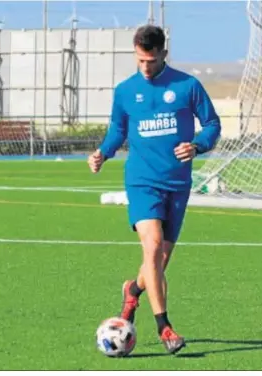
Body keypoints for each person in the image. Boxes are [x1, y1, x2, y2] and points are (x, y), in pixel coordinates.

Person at [88, 25, 221, 354]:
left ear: (163, 53)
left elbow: (213, 125)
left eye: (150, 60)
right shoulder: (125, 91)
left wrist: (198, 145)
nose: (145, 67)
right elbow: (118, 130)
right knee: (153, 246)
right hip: (142, 181)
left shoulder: (187, 86)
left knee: (159, 261)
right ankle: (165, 328)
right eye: (139, 60)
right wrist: (102, 153)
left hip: (177, 184)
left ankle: (132, 291)